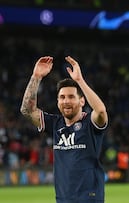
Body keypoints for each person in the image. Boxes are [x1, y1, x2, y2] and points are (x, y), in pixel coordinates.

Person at [20, 56, 108, 203]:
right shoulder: (55, 124)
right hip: (63, 199)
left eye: (71, 97)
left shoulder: (90, 123)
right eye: (62, 97)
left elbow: (101, 111)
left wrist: (80, 80)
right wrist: (36, 77)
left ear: (82, 101)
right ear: (57, 101)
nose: (66, 101)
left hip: (89, 198)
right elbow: (27, 110)